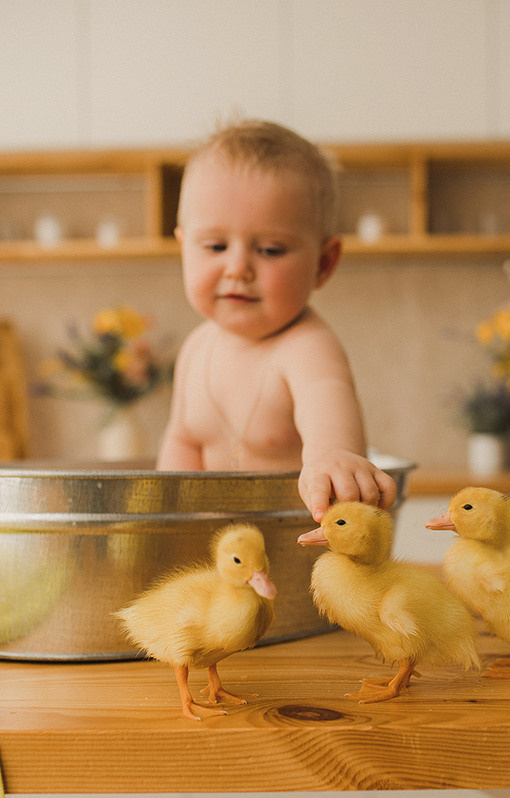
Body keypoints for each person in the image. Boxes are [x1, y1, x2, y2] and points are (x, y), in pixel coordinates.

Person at [156, 119, 396, 522]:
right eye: (215, 245)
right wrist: (164, 517)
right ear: (184, 248)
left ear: (324, 263)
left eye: (269, 250)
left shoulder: (307, 348)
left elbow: (327, 408)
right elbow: (182, 444)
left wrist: (332, 455)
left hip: (297, 551)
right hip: (223, 560)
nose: (237, 268)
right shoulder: (196, 349)